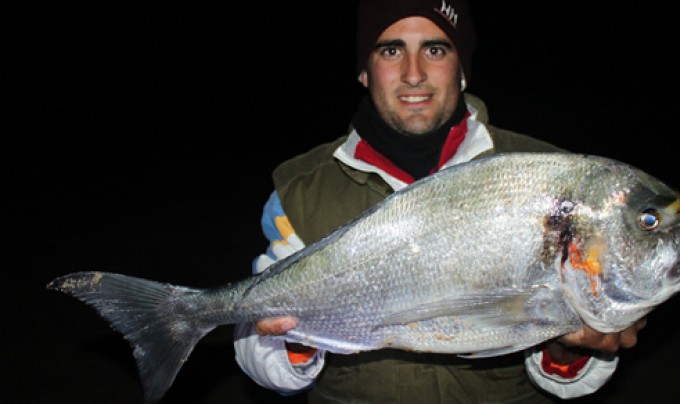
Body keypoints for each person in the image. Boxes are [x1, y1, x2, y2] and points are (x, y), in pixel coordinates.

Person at [234, 0, 646, 402]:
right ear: (364, 70)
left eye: (435, 49)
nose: (414, 74)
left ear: (462, 68)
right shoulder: (301, 188)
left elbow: (567, 382)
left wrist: (569, 351)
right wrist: (296, 340)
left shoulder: (550, 179)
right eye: (391, 50)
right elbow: (260, 356)